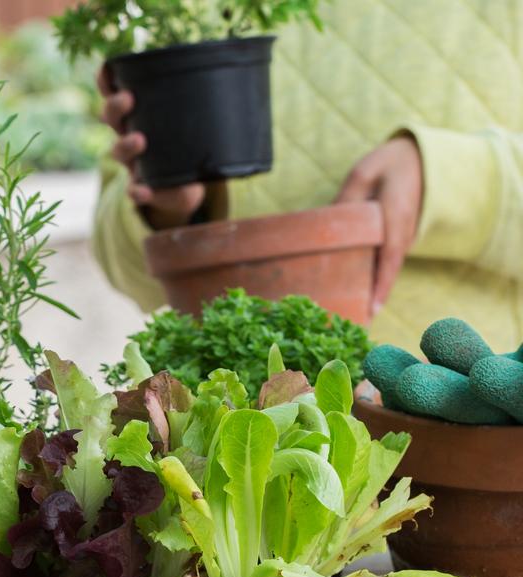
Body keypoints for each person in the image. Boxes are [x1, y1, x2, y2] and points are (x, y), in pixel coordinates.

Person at [93, 0, 523, 354]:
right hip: (238, 434)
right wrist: (166, 213)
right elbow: (125, 270)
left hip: (461, 423)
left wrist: (451, 180)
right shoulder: (171, 14)